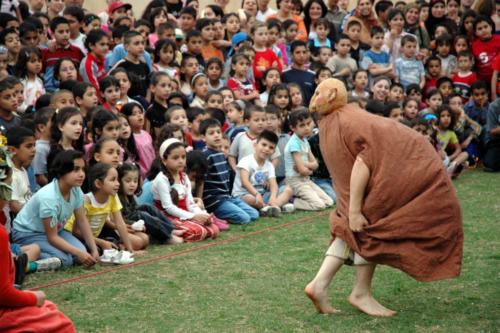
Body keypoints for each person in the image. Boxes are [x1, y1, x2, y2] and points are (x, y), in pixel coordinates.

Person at [305, 78, 462, 316]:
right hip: (357, 191)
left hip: (353, 191)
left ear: (331, 96)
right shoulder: (344, 119)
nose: (313, 99)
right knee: (369, 228)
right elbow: (363, 161)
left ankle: (319, 284)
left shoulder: (334, 120)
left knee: (349, 231)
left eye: (318, 93)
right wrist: (355, 210)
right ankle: (360, 293)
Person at [12, 150, 99, 268]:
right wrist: (78, 252)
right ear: (62, 171)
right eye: (76, 169)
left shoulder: (76, 189)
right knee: (66, 259)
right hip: (28, 233)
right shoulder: (49, 197)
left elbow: (82, 221)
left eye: (83, 169)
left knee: (80, 254)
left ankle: (46, 254)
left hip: (56, 232)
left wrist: (93, 249)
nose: (82, 174)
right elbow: (52, 238)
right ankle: (24, 259)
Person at [152, 138, 220, 241]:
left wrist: (201, 215)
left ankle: (189, 230)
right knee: (199, 231)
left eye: (183, 157)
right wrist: (193, 216)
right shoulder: (161, 179)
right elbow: (169, 208)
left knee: (214, 229)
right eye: (175, 158)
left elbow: (190, 203)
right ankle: (172, 232)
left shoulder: (184, 177)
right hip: (168, 217)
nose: (180, 161)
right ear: (164, 160)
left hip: (185, 215)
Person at [201, 118, 259, 224]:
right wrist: (201, 204)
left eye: (218, 132)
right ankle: (215, 216)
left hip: (227, 197)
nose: (216, 135)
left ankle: (228, 211)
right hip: (215, 201)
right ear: (203, 138)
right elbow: (201, 181)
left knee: (254, 215)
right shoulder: (205, 156)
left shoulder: (220, 154)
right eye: (211, 133)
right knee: (244, 219)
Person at [232, 129, 295, 216]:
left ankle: (271, 206)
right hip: (243, 195)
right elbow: (245, 182)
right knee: (251, 199)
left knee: (288, 189)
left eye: (271, 147)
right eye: (264, 145)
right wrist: (256, 194)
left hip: (262, 195)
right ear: (255, 145)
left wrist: (272, 197)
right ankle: (275, 206)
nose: (266, 149)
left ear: (273, 151)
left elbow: (273, 185)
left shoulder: (269, 165)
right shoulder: (246, 161)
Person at [284, 109, 333, 211]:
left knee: (329, 202)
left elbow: (315, 164)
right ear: (293, 128)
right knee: (319, 205)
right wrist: (308, 169)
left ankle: (299, 199)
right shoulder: (294, 143)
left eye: (308, 123)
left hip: (306, 179)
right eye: (302, 125)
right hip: (295, 181)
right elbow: (304, 170)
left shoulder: (304, 140)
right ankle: (291, 200)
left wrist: (304, 165)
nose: (306, 128)